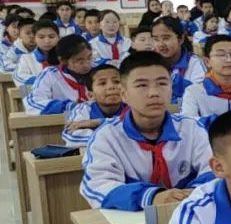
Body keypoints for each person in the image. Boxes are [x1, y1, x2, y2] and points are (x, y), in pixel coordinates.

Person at [80, 52, 214, 211]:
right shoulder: (107, 137)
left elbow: (216, 171)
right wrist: (151, 197)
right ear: (124, 94)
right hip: (132, 221)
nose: (154, 93)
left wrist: (193, 193)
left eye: (162, 83)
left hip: (192, 213)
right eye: (142, 85)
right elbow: (97, 186)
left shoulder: (192, 129)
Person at [25, 34, 94, 114]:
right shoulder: (50, 75)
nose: (86, 65)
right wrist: (67, 107)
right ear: (62, 60)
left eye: (89, 58)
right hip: (62, 120)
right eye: (79, 61)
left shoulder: (98, 73)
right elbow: (34, 103)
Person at [63, 64, 128, 147]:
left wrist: (97, 123)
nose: (111, 86)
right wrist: (115, 137)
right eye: (102, 83)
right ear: (91, 95)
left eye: (117, 82)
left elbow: (137, 129)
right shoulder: (83, 109)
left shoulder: (132, 106)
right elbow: (71, 136)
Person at [151, 16, 207, 104]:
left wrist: (172, 78)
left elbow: (200, 94)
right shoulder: (148, 63)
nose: (161, 44)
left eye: (166, 38)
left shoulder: (194, 62)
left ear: (181, 39)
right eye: (156, 39)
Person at [15, 19, 60, 85]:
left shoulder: (66, 57)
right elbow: (20, 78)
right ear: (34, 39)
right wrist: (45, 80)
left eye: (51, 37)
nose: (47, 41)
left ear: (58, 37)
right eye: (41, 37)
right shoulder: (26, 59)